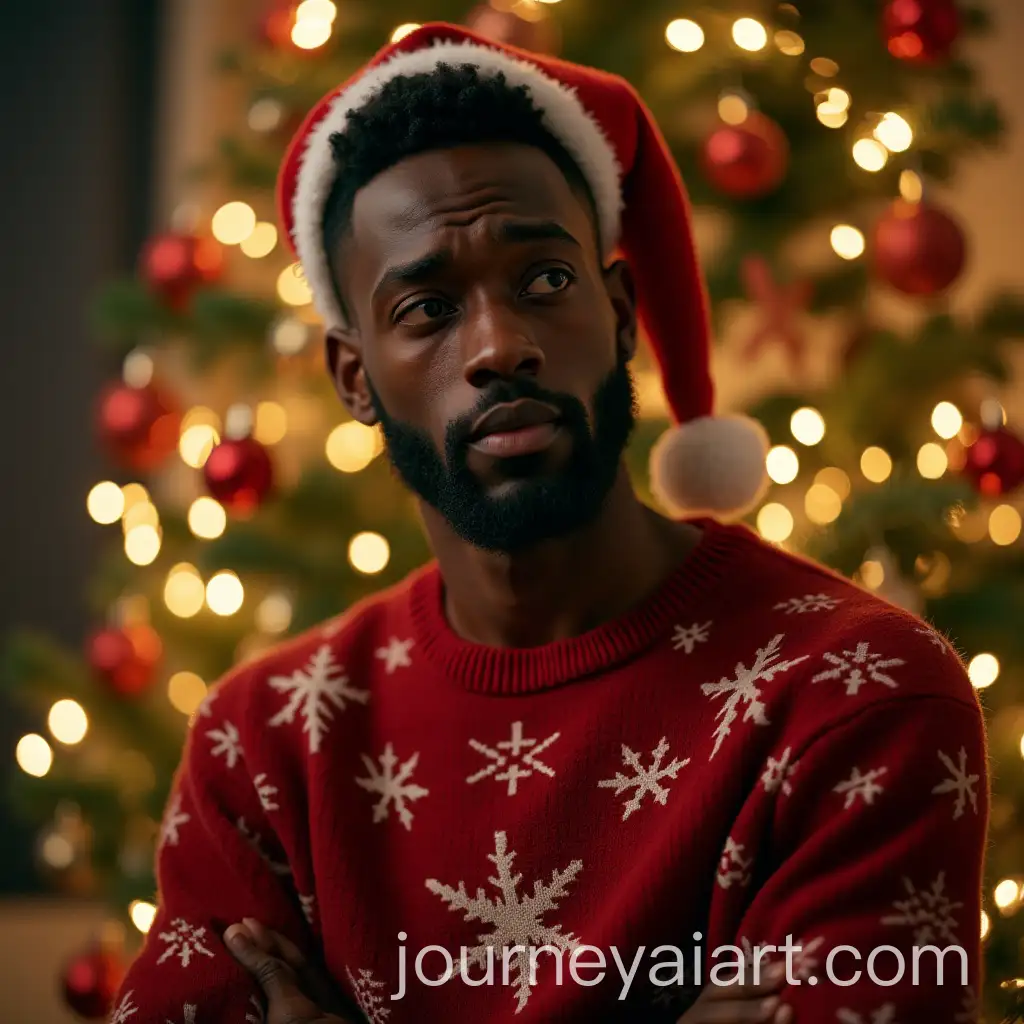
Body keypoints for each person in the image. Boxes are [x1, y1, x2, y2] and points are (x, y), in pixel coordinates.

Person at [107, 22, 988, 1024]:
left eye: (544, 280)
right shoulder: (262, 748)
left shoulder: (855, 697)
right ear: (354, 376)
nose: (500, 345)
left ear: (618, 311)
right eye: (428, 307)